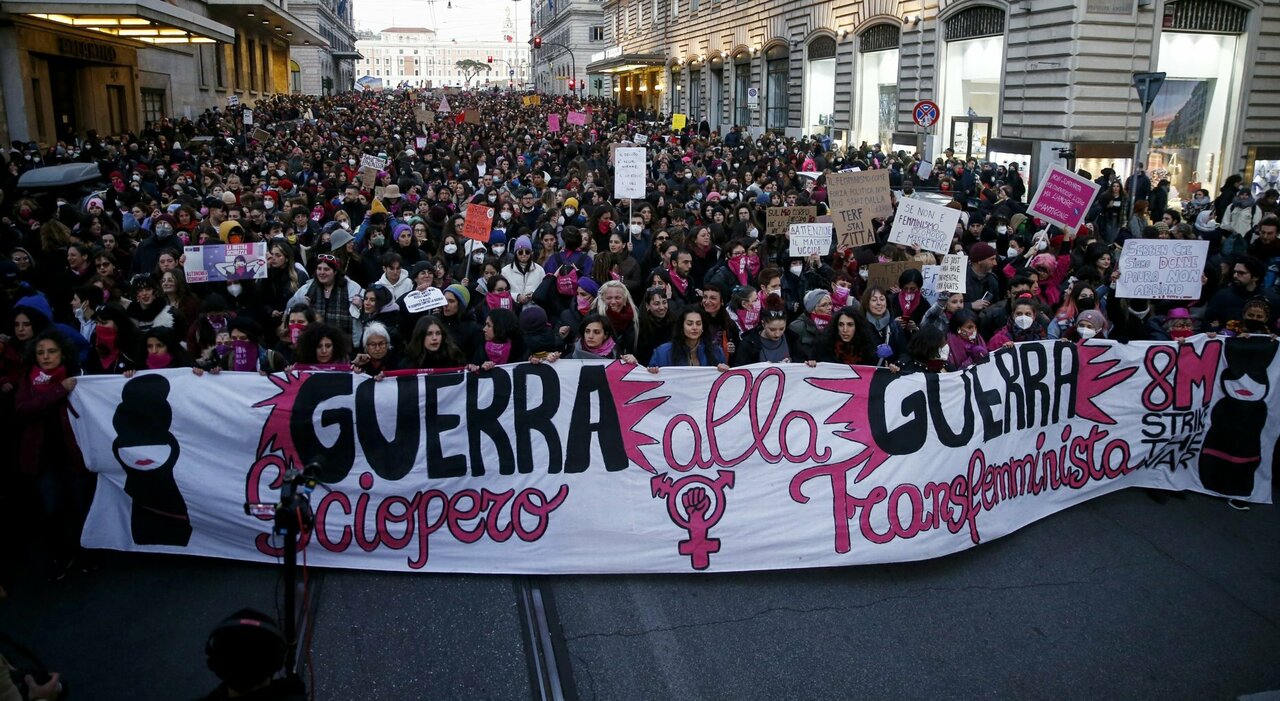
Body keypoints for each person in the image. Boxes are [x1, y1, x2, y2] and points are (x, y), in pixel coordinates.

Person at [15, 328, 88, 580]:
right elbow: (24, 408)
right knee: (53, 507)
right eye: (40, 353)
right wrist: (58, 391)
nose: (45, 357)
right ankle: (62, 555)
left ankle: (86, 553)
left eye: (51, 352)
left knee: (80, 504)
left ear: (63, 354)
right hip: (43, 456)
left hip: (72, 452)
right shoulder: (29, 378)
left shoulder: (77, 376)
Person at [647, 307, 729, 371]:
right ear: (682, 327)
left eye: (698, 324)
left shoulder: (717, 352)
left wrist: (723, 371)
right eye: (689, 324)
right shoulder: (662, 353)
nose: (694, 328)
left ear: (703, 327)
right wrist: (652, 371)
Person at [734, 295, 795, 365]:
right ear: (763, 324)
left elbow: (801, 361)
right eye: (772, 329)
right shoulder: (748, 344)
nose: (777, 334)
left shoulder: (792, 338)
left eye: (781, 329)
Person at [402, 315, 467, 370]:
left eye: (438, 333)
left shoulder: (454, 357)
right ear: (421, 336)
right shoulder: (409, 363)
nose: (434, 338)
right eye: (429, 334)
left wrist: (471, 369)